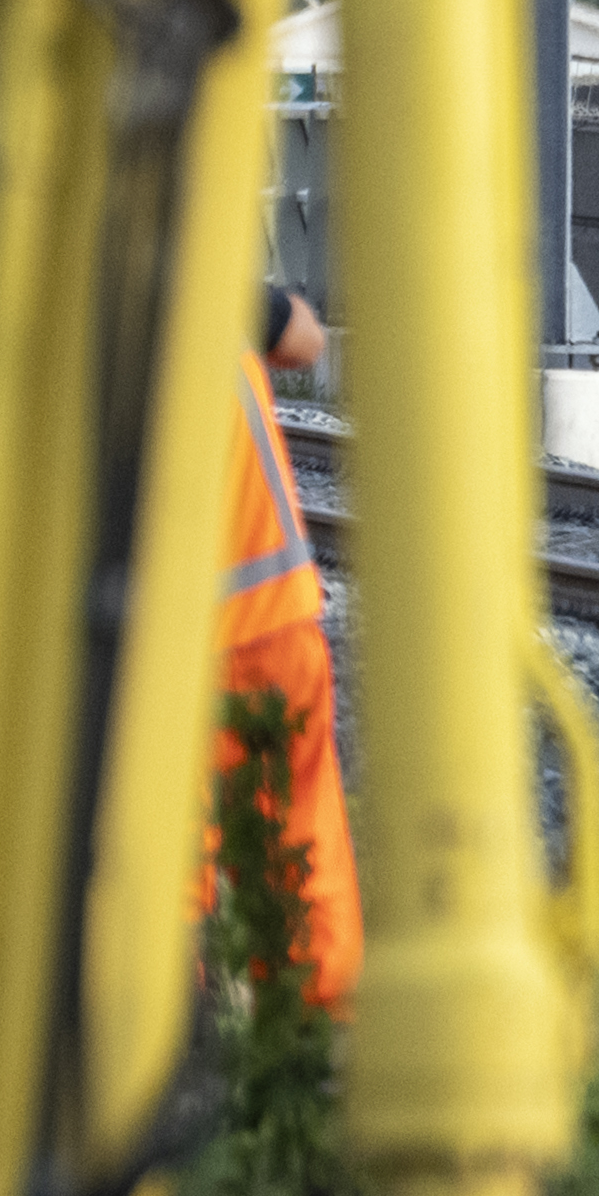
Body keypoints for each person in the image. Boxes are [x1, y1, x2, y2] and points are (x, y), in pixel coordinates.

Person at [205, 284, 364, 1010]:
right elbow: (306, 338)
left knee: (160, 864)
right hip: (279, 628)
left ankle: (168, 1046)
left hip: (177, 655)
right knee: (300, 848)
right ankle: (319, 1041)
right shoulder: (212, 287)